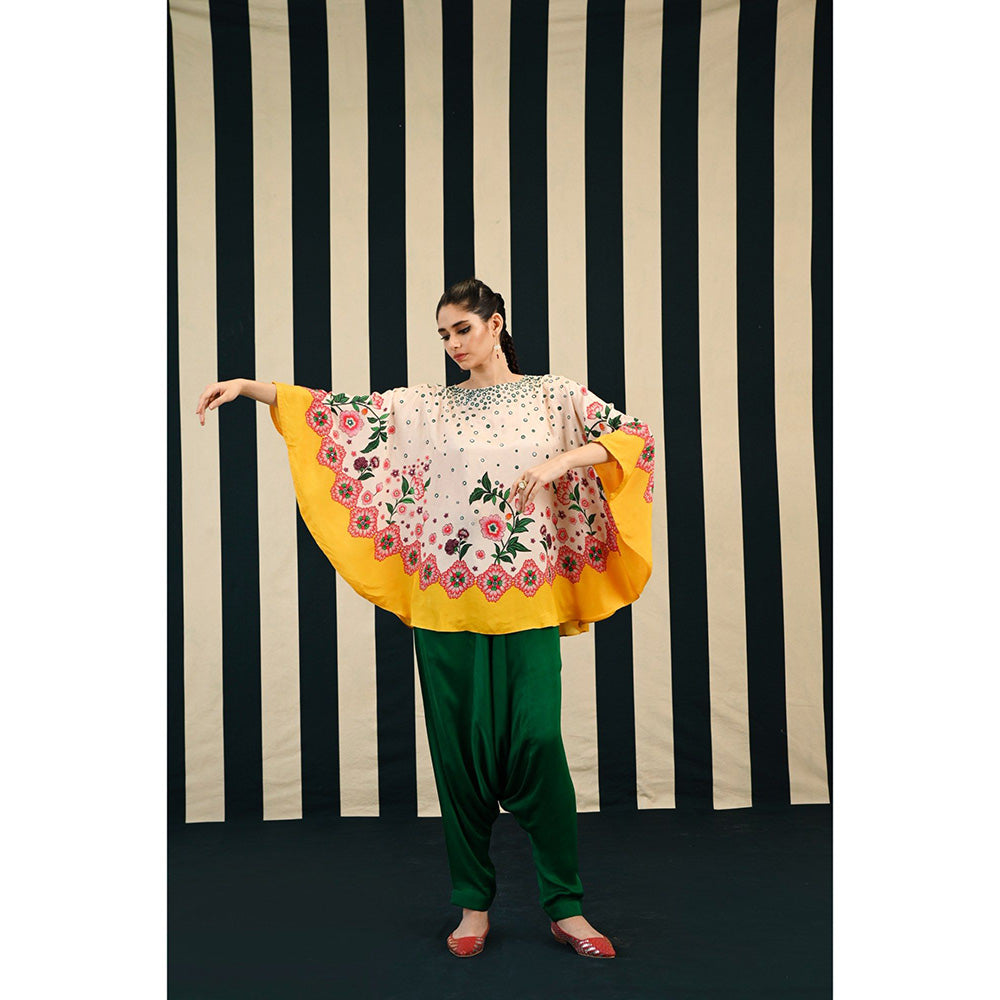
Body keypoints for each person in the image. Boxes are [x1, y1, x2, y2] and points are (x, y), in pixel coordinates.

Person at [195, 277, 656, 959]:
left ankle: (566, 907)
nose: (453, 344)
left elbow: (630, 436)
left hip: (526, 593)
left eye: (462, 329)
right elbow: (342, 413)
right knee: (458, 759)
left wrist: (561, 458)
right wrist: (250, 387)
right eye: (443, 334)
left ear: (496, 323)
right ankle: (473, 906)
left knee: (536, 743)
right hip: (445, 599)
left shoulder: (552, 395)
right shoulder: (428, 407)